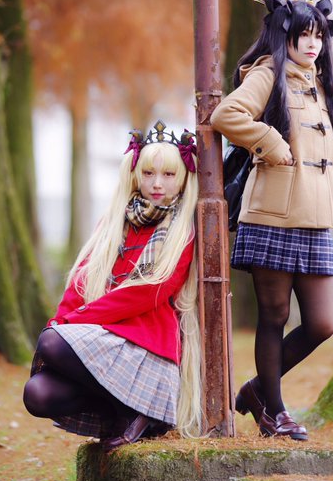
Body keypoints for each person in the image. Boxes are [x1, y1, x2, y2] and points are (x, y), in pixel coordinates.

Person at [211, 0, 333, 441]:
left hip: (315, 222)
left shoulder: (320, 84)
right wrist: (271, 142)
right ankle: (274, 412)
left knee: (322, 323)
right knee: (274, 317)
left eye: (318, 36)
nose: (313, 44)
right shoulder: (267, 74)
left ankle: (258, 391)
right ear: (286, 36)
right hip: (271, 217)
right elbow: (225, 115)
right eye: (304, 35)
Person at [23, 121, 201, 451]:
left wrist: (73, 323)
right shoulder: (115, 221)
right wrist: (61, 320)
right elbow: (81, 280)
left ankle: (140, 411)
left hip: (146, 343)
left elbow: (148, 292)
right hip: (103, 339)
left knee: (51, 342)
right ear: (135, 175)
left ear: (183, 178)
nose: (157, 183)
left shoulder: (183, 229)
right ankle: (125, 411)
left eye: (168, 174)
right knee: (37, 393)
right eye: (148, 173)